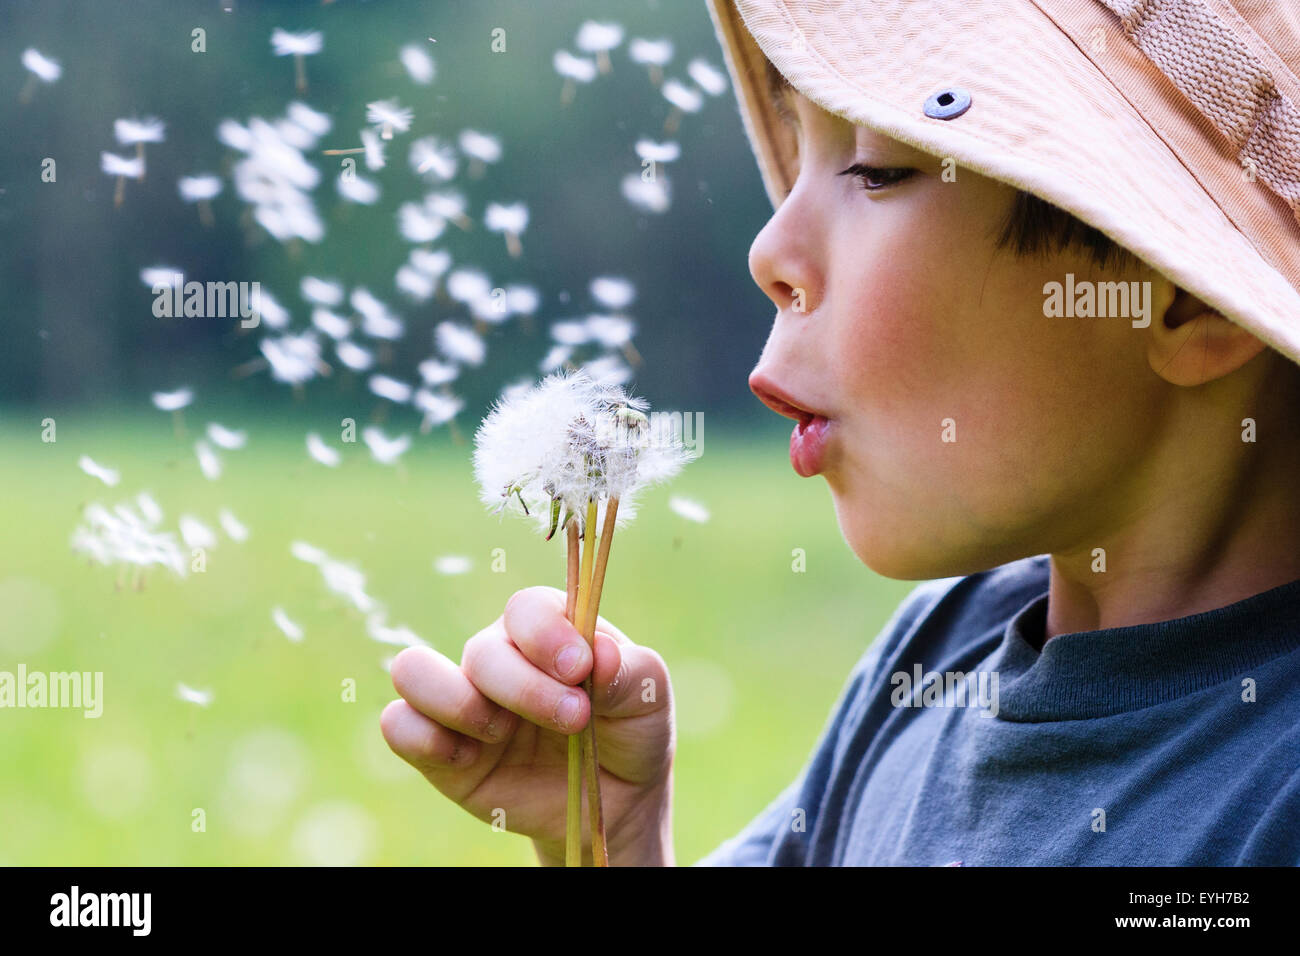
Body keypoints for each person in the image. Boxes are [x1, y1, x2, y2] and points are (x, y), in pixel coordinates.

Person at [380, 0, 1300, 864]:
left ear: (1181, 299)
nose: (770, 252)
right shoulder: (940, 653)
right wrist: (610, 841)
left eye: (876, 169)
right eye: (802, 146)